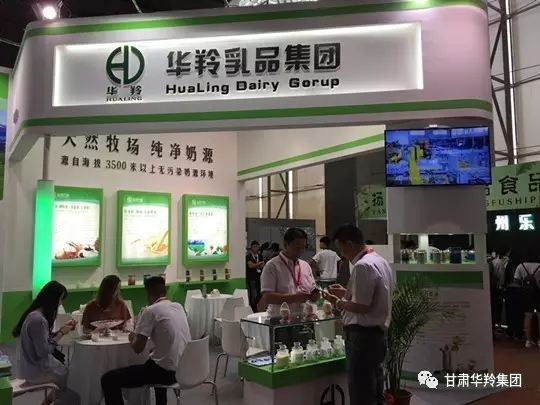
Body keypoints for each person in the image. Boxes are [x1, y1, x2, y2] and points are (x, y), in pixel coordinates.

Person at [323, 224, 394, 405]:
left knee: (361, 391)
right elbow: (372, 295)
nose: (341, 254)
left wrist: (337, 302)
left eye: (341, 249)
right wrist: (345, 292)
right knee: (375, 388)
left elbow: (362, 307)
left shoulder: (363, 266)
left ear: (349, 244)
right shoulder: (379, 260)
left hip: (362, 337)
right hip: (376, 335)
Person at [101, 276, 191, 405]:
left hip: (165, 372)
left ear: (148, 293)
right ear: (164, 291)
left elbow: (137, 348)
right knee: (157, 359)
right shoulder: (178, 307)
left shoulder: (150, 310)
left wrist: (133, 335)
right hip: (185, 368)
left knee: (108, 379)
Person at [13, 281, 81, 405]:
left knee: (70, 378)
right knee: (74, 382)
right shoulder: (38, 320)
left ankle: (47, 402)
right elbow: (43, 351)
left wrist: (61, 330)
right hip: (37, 370)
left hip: (33, 367)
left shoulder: (34, 316)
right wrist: (61, 333)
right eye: (60, 299)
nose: (61, 303)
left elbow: (42, 341)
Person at [259, 227, 320, 314]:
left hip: (305, 316)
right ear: (285, 245)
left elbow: (312, 288)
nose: (301, 251)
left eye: (303, 247)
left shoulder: (305, 266)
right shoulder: (272, 266)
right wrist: (295, 298)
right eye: (297, 247)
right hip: (280, 318)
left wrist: (314, 295)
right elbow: (267, 297)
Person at [513, 250, 540, 348]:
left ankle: (528, 340)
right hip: (538, 293)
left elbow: (516, 281)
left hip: (526, 294)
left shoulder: (521, 266)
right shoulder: (539, 266)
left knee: (528, 316)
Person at [489, 246, 510, 333]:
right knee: (497, 308)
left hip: (490, 287)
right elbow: (501, 276)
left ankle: (493, 326)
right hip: (497, 288)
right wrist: (502, 286)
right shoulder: (499, 262)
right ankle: (495, 326)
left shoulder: (492, 261)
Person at [246, 240, 265, 312]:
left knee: (260, 292)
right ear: (251, 248)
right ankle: (252, 309)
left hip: (259, 276)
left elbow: (262, 264)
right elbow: (250, 265)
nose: (256, 248)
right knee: (253, 293)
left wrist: (256, 265)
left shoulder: (260, 256)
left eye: (257, 246)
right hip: (251, 277)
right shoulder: (248, 256)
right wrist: (258, 265)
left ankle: (256, 306)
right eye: (254, 246)